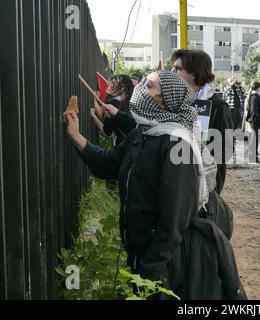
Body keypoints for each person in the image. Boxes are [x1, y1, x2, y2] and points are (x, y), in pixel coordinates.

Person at [64, 70, 246, 300]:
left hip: (167, 265)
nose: (140, 88)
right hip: (141, 255)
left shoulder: (178, 144)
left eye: (148, 85)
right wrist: (76, 135)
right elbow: (109, 165)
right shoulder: (144, 131)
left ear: (164, 101)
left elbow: (174, 221)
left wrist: (151, 271)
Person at [170, 49, 234, 194]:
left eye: (178, 68)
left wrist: (198, 156)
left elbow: (226, 149)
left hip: (204, 183)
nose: (172, 71)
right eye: (173, 67)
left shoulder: (218, 107)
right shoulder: (172, 102)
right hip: (175, 177)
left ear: (194, 73)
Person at [91, 74, 136, 146]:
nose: (107, 86)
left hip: (122, 147)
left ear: (118, 87)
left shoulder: (114, 102)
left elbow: (106, 132)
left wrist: (93, 115)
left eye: (110, 84)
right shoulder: (131, 102)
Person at [246, 81, 260, 163]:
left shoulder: (255, 95)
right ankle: (252, 156)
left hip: (255, 120)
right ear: (258, 88)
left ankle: (254, 155)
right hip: (254, 121)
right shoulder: (254, 96)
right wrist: (257, 118)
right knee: (254, 139)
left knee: (255, 138)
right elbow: (253, 110)